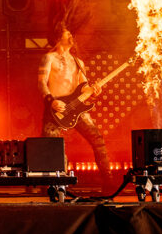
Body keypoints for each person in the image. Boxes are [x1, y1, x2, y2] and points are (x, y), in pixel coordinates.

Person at [37, 25, 111, 183]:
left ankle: (108, 179)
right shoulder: (49, 58)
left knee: (97, 139)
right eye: (67, 33)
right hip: (56, 108)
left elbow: (83, 87)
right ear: (58, 38)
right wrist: (51, 101)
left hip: (76, 108)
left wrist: (93, 91)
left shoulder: (79, 62)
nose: (71, 36)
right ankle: (57, 183)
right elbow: (41, 83)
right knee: (51, 146)